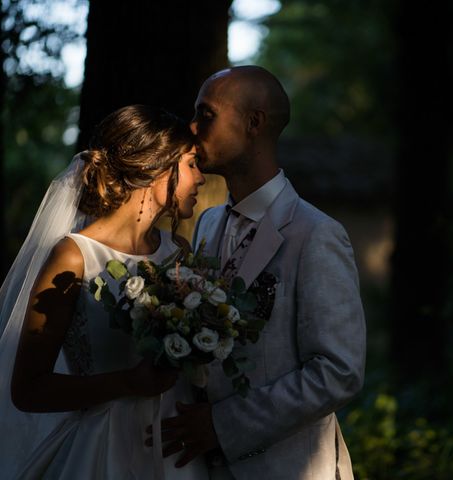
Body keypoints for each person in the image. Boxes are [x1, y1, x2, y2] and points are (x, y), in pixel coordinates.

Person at [153, 66, 367, 479]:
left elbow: (338, 371)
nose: (192, 127)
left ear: (254, 123)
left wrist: (222, 424)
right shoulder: (208, 224)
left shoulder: (316, 234)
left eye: (206, 114)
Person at [0, 104, 208, 479]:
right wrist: (127, 383)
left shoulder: (179, 255)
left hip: (175, 452)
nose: (202, 178)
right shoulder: (73, 257)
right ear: (156, 168)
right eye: (192, 164)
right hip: (103, 451)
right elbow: (28, 389)